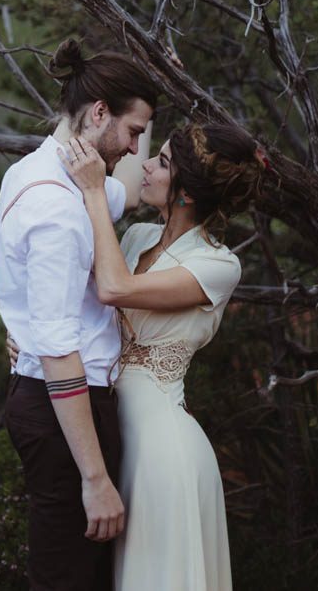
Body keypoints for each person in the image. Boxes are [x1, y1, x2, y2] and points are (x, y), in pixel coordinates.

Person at [57, 122, 266, 591]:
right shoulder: (132, 241)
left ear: (187, 193)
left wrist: (94, 191)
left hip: (163, 450)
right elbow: (78, 307)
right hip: (113, 434)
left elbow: (114, 289)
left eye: (163, 162)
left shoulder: (216, 265)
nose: (146, 166)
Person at [0, 38, 158, 591]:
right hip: (66, 404)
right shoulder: (58, 210)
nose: (137, 150)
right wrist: (94, 478)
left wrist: (150, 84)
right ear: (98, 113)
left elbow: (129, 194)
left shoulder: (48, 173)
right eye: (134, 132)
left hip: (56, 399)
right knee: (67, 579)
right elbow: (60, 348)